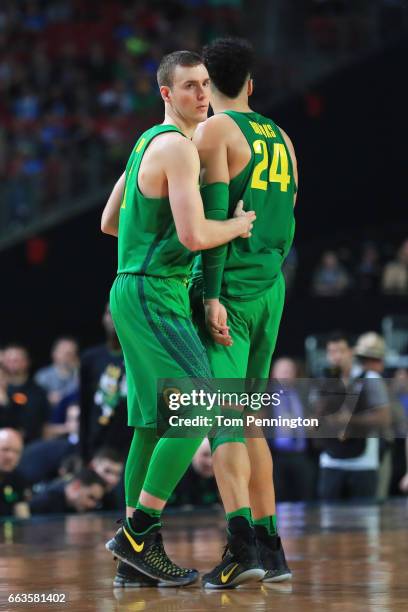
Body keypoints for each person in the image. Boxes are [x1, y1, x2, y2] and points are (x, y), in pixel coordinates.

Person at [100, 50, 256, 587]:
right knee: (200, 404)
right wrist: (237, 226)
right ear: (166, 92)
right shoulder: (178, 149)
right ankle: (137, 532)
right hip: (153, 295)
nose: (202, 94)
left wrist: (150, 242)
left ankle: (132, 563)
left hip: (134, 288)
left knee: (153, 422)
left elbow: (107, 222)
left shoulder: (144, 142)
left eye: (207, 84)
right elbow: (194, 237)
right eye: (190, 86)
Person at [190, 37, 297, 588]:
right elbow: (289, 221)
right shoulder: (281, 136)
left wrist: (211, 294)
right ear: (251, 83)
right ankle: (272, 547)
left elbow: (211, 224)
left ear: (208, 85)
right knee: (251, 421)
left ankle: (241, 548)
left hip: (229, 289)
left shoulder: (214, 131)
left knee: (223, 420)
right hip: (271, 287)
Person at [317, 332, 391, 501]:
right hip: (331, 460)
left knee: (363, 520)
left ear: (351, 352)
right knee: (329, 520)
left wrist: (350, 420)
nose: (336, 357)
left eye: (341, 351)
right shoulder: (324, 380)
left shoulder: (370, 378)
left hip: (363, 463)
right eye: (331, 352)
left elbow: (384, 419)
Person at [79, 303, 129, 462]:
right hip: (97, 444)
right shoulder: (90, 358)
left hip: (131, 444)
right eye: (109, 313)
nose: (114, 318)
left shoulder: (144, 356)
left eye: (120, 312)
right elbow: (84, 406)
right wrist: (82, 454)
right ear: (103, 318)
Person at [2, 345, 50, 443]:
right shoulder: (3, 391)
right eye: (8, 360)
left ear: (26, 362)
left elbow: (36, 422)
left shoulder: (37, 392)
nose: (11, 364)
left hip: (29, 443)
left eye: (16, 360)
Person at [29, 467, 106, 515]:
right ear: (76, 486)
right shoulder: (45, 500)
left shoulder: (76, 507)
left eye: (96, 501)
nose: (92, 505)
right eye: (90, 497)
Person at [34, 337, 79, 407]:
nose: (67, 356)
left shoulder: (79, 374)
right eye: (63, 352)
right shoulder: (43, 375)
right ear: (54, 354)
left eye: (71, 353)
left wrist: (78, 370)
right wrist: (47, 397)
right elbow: (37, 399)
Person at [0, 428, 30, 518]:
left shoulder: (18, 479)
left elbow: (23, 518)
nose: (10, 456)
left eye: (16, 452)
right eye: (5, 449)